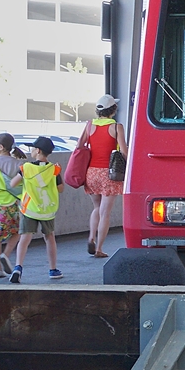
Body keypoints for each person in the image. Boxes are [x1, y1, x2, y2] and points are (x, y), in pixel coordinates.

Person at [10, 136, 64, 283]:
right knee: (50, 238)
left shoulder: (26, 168)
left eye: (33, 148)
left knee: (25, 239)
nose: (31, 151)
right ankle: (53, 269)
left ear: (38, 150)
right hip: (47, 210)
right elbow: (61, 189)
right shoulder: (54, 169)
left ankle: (18, 267)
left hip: (30, 209)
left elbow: (13, 183)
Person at [80, 94, 128, 259]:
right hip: (109, 173)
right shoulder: (116, 127)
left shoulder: (89, 125)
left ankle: (91, 237)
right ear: (113, 110)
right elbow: (124, 151)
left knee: (96, 208)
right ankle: (99, 248)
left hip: (91, 172)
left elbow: (80, 146)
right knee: (105, 212)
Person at [0, 133, 26, 279]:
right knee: (19, 230)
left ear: (1, 147)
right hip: (12, 202)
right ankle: (6, 254)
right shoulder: (17, 163)